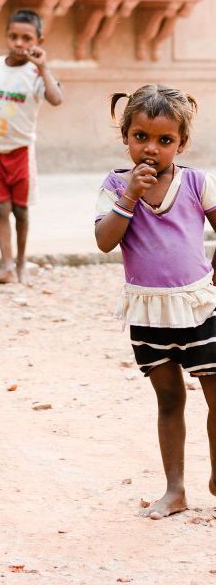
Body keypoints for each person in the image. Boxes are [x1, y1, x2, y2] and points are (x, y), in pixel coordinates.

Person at [95, 83, 216, 519]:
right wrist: (129, 195)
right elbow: (105, 241)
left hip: (198, 309)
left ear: (181, 143)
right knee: (169, 400)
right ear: (125, 136)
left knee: (215, 396)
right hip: (148, 310)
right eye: (140, 137)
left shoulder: (197, 182)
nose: (151, 149)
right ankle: (175, 489)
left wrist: (213, 281)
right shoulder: (114, 185)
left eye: (165, 141)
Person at [0, 8, 63, 286]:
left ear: (38, 41)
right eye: (13, 37)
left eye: (26, 38)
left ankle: (21, 263)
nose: (19, 43)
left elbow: (56, 99)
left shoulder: (35, 73)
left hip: (21, 152)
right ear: (6, 36)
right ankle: (6, 266)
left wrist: (44, 67)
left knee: (20, 211)